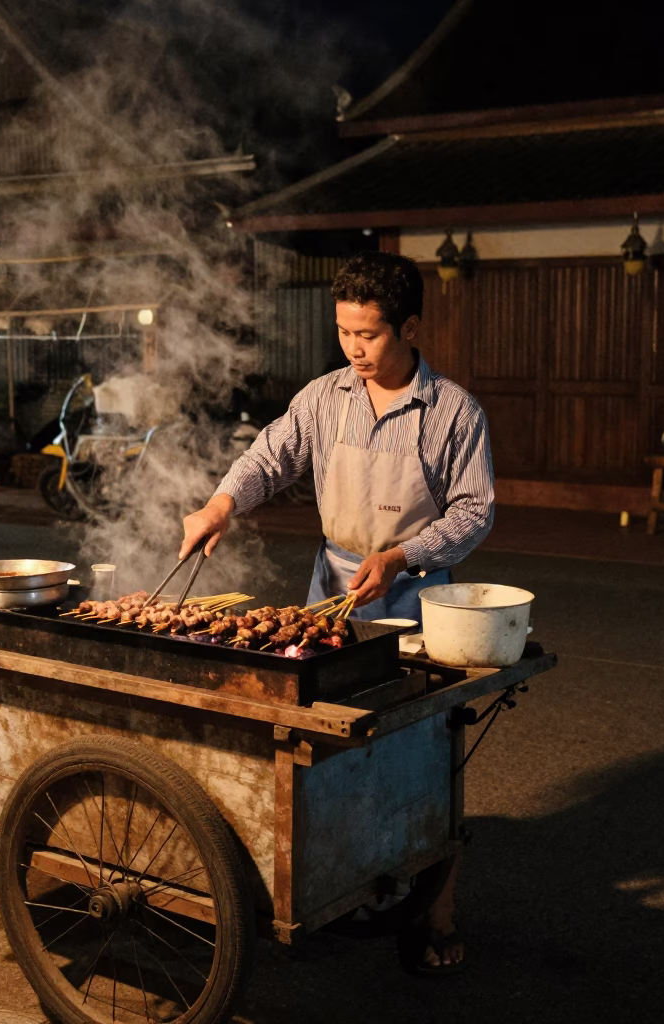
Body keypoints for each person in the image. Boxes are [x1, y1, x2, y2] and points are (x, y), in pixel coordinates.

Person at [180, 250, 494, 974]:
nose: (354, 350)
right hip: (335, 590)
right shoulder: (325, 397)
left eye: (370, 335)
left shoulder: (452, 411)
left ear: (410, 327)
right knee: (333, 740)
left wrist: (407, 555)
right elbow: (270, 457)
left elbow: (475, 512)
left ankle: (436, 911)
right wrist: (221, 503)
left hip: (417, 596)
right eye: (345, 333)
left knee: (428, 751)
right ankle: (343, 880)